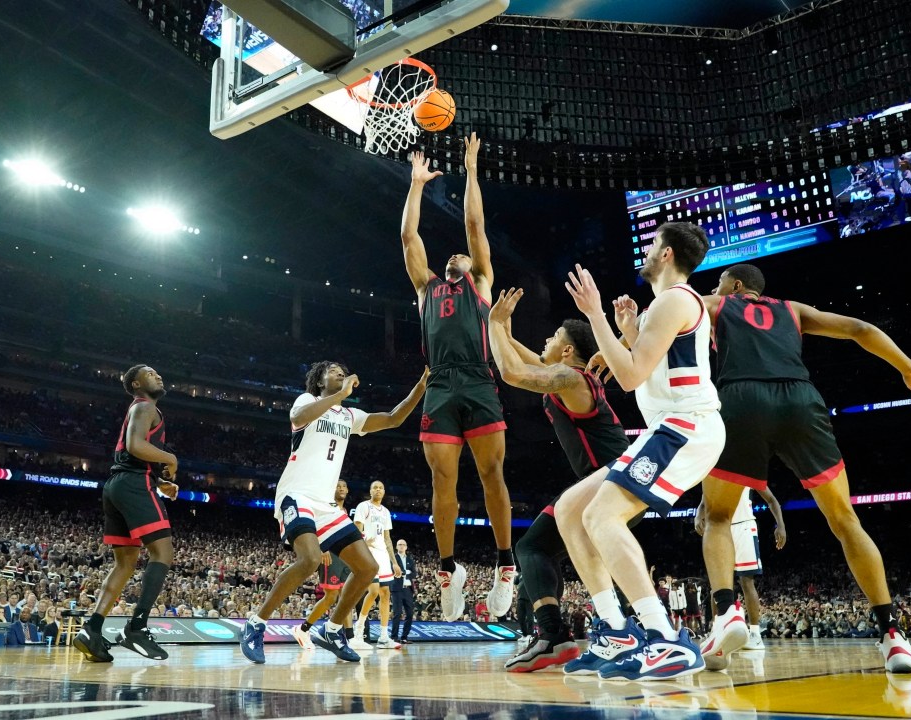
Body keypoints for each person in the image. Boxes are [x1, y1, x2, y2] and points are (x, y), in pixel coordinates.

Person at [695, 263, 911, 673]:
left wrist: (623, 341)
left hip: (740, 399)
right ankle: (893, 635)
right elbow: (860, 329)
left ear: (735, 286)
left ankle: (726, 615)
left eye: (719, 282)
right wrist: (907, 367)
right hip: (799, 399)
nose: (713, 288)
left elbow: (667, 314)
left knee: (718, 516)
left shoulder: (717, 305)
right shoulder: (794, 310)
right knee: (845, 520)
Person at [555, 222, 723, 681]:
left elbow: (628, 377)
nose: (646, 251)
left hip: (688, 426)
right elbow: (649, 371)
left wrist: (596, 317)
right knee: (572, 509)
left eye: (652, 245)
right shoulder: (661, 308)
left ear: (666, 254)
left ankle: (666, 638)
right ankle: (616, 630)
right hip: (670, 427)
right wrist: (629, 331)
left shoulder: (675, 299)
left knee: (601, 517)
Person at [239, 362, 428, 664]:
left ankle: (333, 629)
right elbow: (299, 417)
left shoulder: (349, 416)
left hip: (326, 505)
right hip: (296, 494)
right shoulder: (307, 400)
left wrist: (420, 387)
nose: (341, 372)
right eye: (334, 370)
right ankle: (255, 623)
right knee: (310, 559)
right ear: (319, 379)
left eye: (343, 370)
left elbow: (393, 419)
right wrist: (340, 394)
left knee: (367, 568)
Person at [487, 289, 632, 672]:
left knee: (532, 547)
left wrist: (492, 325)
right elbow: (529, 359)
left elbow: (512, 373)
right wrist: (502, 329)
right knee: (547, 550)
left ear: (567, 352)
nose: (546, 341)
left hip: (611, 479)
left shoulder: (569, 378)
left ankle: (557, 634)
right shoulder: (570, 375)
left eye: (553, 338)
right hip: (612, 479)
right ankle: (577, 633)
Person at [401, 136, 515, 621]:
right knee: (442, 479)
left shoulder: (482, 280)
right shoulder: (427, 288)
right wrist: (415, 187)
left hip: (479, 379)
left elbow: (473, 224)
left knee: (491, 474)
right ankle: (449, 570)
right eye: (452, 257)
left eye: (462, 256)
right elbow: (409, 239)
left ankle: (505, 565)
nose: (456, 255)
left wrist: (470, 168)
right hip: (441, 383)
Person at [74, 364, 179, 663]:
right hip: (133, 484)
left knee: (125, 563)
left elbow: (128, 456)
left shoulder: (139, 409)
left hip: (117, 485)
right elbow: (135, 446)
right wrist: (170, 457)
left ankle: (92, 630)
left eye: (158, 372)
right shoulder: (145, 407)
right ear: (136, 384)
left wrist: (160, 483)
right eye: (149, 373)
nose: (158, 374)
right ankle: (137, 627)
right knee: (163, 553)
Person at [696, 486, 786, 650]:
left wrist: (780, 525)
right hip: (720, 530)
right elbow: (703, 502)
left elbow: (772, 500)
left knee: (747, 582)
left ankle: (755, 634)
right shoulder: (714, 472)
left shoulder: (747, 471)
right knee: (717, 586)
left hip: (744, 528)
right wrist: (697, 516)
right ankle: (717, 631)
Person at [292, 479, 353, 650]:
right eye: (337, 486)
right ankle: (303, 629)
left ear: (347, 490)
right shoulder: (325, 505)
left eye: (343, 486)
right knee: (331, 597)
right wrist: (323, 548)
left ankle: (349, 637)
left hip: (343, 557)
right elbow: (314, 526)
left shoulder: (345, 510)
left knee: (345, 596)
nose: (341, 488)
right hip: (329, 555)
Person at [351, 480, 403, 650]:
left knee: (385, 593)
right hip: (368, 551)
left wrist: (394, 562)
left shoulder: (386, 512)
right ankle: (358, 632)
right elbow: (356, 528)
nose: (378, 490)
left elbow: (387, 538)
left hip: (382, 554)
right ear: (370, 490)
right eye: (375, 487)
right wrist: (365, 539)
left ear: (384, 491)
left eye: (381, 487)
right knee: (373, 591)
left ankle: (383, 636)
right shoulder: (363, 506)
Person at [390, 538, 416, 644]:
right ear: (396, 547)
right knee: (397, 613)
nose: (401, 546)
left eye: (403, 544)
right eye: (399, 544)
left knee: (410, 614)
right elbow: (393, 570)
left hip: (408, 590)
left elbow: (414, 574)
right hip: (397, 589)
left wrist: (405, 573)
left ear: (406, 547)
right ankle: (394, 637)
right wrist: (406, 572)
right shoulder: (393, 558)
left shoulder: (410, 559)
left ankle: (404, 637)